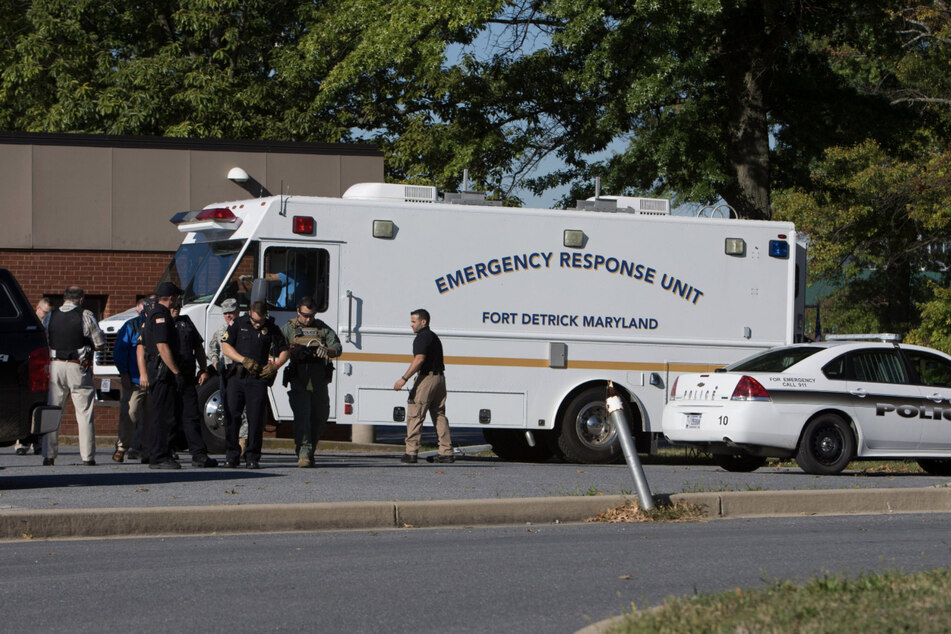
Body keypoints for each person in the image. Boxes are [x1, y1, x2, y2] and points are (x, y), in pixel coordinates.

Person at [221, 301, 288, 469]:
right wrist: (243, 360)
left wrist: (276, 365)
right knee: (232, 417)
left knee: (256, 419)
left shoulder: (271, 327)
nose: (257, 325)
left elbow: (285, 350)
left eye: (260, 322)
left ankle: (252, 457)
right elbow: (226, 346)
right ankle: (232, 455)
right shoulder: (239, 323)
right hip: (237, 376)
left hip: (257, 378)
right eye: (255, 321)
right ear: (250, 313)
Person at [43, 286, 105, 466]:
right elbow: (99, 343)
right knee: (84, 413)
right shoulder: (85, 315)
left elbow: (46, 339)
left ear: (64, 298)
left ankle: (48, 455)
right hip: (77, 366)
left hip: (55, 365)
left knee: (53, 411)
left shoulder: (50, 316)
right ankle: (87, 457)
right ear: (81, 299)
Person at [281, 297, 342, 468]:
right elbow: (276, 347)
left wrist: (326, 350)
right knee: (302, 416)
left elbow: (337, 347)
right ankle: (303, 453)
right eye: (305, 315)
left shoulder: (321, 328)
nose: (308, 319)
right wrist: (291, 350)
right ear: (298, 311)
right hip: (299, 378)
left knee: (320, 416)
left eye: (311, 316)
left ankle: (309, 449)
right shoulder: (289, 328)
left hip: (318, 379)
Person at [393, 308, 453, 464]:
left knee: (415, 414)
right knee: (439, 414)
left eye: (414, 321)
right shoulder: (433, 337)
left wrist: (404, 378)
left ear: (423, 322)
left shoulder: (421, 337)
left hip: (427, 379)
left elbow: (419, 359)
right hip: (440, 379)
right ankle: (446, 452)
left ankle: (411, 452)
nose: (411, 325)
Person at [141, 282, 189, 470]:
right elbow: (162, 346)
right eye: (176, 298)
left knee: (166, 413)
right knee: (163, 415)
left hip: (159, 369)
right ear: (171, 298)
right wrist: (176, 372)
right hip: (162, 371)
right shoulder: (161, 315)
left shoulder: (154, 313)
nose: (177, 301)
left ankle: (162, 452)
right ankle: (159, 455)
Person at [169, 301, 218, 467]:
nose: (175, 308)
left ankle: (198, 454)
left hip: (187, 376)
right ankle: (166, 451)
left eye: (177, 305)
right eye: (172, 305)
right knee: (169, 416)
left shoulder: (186, 322)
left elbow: (198, 347)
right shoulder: (160, 323)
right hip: (168, 378)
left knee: (192, 416)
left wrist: (203, 368)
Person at [112, 295, 154, 462]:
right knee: (129, 414)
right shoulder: (131, 326)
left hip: (154, 379)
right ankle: (122, 447)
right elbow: (119, 351)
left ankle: (147, 451)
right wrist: (124, 374)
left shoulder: (160, 325)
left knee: (151, 418)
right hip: (134, 380)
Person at [207, 298, 249, 457]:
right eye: (226, 314)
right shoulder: (221, 331)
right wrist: (215, 361)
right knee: (229, 409)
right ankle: (232, 445)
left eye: (231, 313)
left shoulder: (246, 328)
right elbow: (213, 348)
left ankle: (243, 442)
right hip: (227, 373)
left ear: (238, 312)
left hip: (243, 372)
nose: (229, 316)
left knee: (244, 410)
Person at [14, 298, 52, 456]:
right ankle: (22, 442)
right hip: (27, 369)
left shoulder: (47, 326)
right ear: (37, 308)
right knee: (26, 404)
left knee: (40, 403)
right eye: (44, 312)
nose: (46, 316)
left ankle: (37, 442)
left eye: (49, 313)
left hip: (42, 370)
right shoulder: (27, 324)